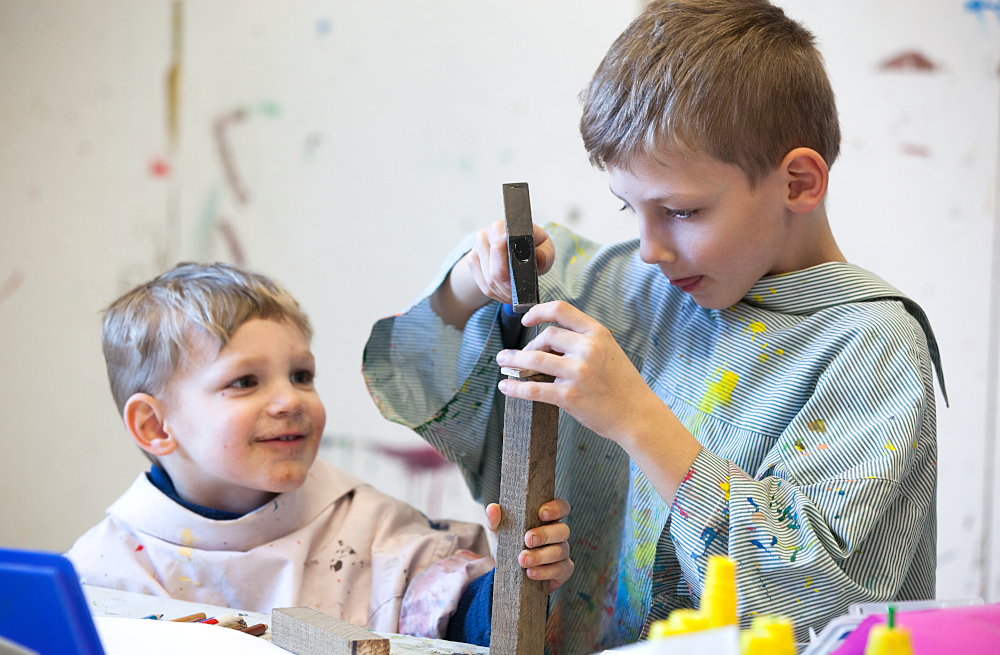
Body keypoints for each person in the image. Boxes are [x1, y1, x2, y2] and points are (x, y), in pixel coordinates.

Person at [362, 0, 947, 651]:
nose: (649, 247)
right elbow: (411, 371)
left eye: (681, 210)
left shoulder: (870, 349)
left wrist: (635, 417)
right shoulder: (613, 290)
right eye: (629, 207)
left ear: (799, 182)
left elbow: (811, 608)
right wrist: (473, 283)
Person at [66, 263, 574, 644]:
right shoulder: (100, 575)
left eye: (301, 375)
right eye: (245, 382)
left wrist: (518, 581)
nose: (290, 400)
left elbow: (455, 626)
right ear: (155, 426)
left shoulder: (370, 523)